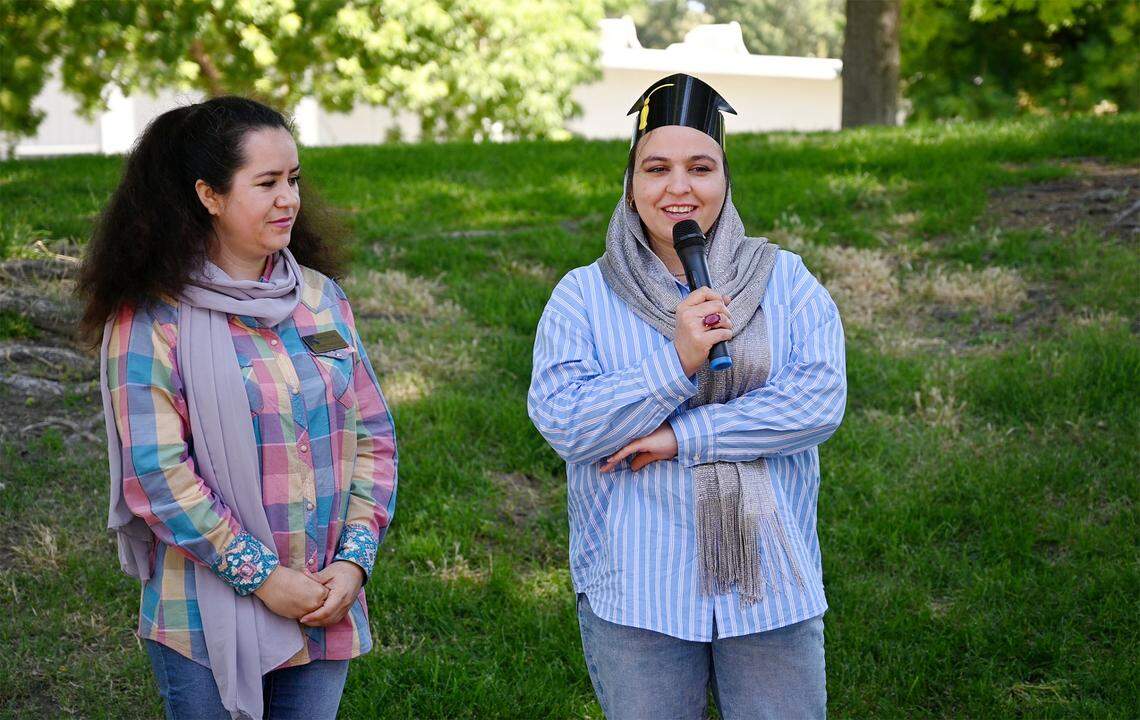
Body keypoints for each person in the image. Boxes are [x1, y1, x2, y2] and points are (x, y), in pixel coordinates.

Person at [527, 74, 846, 719]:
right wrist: (676, 363)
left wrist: (680, 436)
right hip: (638, 589)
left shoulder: (785, 281)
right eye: (657, 168)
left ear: (724, 179)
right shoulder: (583, 296)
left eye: (700, 167)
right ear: (631, 183)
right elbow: (566, 421)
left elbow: (816, 402)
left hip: (769, 585)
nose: (679, 188)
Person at [79, 96, 397, 719]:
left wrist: (353, 563)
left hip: (323, 601)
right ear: (210, 195)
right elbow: (158, 477)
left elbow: (373, 437)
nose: (290, 199)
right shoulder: (149, 319)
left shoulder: (319, 299)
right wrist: (264, 578)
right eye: (268, 183)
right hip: (202, 616)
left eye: (294, 179)